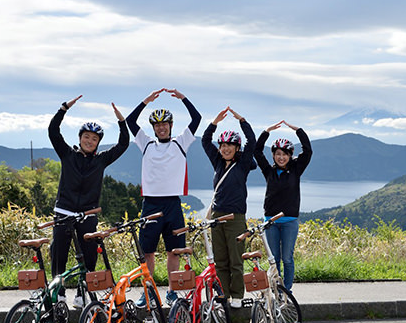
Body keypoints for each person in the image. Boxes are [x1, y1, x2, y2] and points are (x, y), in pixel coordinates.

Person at [48, 95, 129, 307]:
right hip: (64, 211)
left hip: (88, 214)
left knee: (89, 254)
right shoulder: (67, 154)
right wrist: (63, 109)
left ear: (98, 143)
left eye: (94, 139)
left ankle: (83, 293)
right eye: (86, 137)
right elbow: (53, 132)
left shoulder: (101, 160)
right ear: (80, 137)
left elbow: (123, 144)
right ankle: (59, 291)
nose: (90, 141)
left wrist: (121, 121)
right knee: (59, 253)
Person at [126, 88, 201, 307]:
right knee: (147, 252)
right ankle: (148, 292)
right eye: (157, 125)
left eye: (164, 124)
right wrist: (146, 101)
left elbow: (197, 118)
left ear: (170, 126)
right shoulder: (146, 143)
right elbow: (131, 121)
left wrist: (184, 98)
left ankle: (172, 291)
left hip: (173, 204)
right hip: (150, 203)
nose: (161, 128)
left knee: (174, 251)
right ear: (154, 128)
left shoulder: (181, 142)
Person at [201, 106, 256, 309]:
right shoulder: (217, 162)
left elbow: (253, 141)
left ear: (237, 148)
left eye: (230, 146)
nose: (225, 148)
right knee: (220, 260)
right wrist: (214, 122)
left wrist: (242, 120)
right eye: (223, 145)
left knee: (236, 259)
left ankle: (237, 295)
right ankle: (223, 295)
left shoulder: (242, 164)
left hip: (236, 217)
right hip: (217, 216)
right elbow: (205, 141)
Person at [254, 120, 313, 291]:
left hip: (289, 221)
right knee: (274, 258)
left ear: (290, 155)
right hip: (270, 221)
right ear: (273, 155)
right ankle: (275, 287)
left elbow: (308, 151)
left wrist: (299, 130)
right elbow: (257, 151)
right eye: (278, 153)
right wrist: (266, 131)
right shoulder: (269, 171)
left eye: (285, 154)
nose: (281, 157)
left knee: (287, 258)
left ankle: (287, 290)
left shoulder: (296, 169)